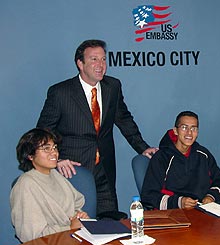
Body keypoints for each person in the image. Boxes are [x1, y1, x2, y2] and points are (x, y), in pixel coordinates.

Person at [37, 39, 157, 219]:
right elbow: (43, 132)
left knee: (109, 223)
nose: (100, 65)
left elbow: (124, 119)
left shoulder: (113, 86)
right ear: (80, 64)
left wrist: (142, 147)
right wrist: (57, 159)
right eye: (94, 59)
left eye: (103, 59)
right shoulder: (60, 92)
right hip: (73, 172)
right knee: (78, 229)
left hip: (105, 171)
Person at [10, 128, 89, 243]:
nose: (54, 153)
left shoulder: (55, 175)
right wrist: (69, 228)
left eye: (55, 147)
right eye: (46, 149)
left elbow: (76, 203)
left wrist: (79, 216)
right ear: (30, 156)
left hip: (71, 239)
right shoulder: (25, 185)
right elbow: (30, 236)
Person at [141, 111, 220, 209]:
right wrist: (179, 202)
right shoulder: (161, 158)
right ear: (175, 131)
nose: (189, 133)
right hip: (172, 213)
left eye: (193, 128)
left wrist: (211, 196)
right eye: (184, 127)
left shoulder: (203, 154)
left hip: (202, 211)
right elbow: (148, 195)